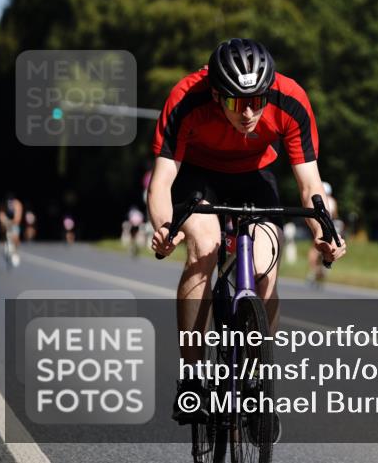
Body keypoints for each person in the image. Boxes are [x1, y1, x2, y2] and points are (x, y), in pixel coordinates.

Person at [146, 38, 346, 427]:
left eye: (258, 100)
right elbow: (162, 180)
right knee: (205, 245)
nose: (250, 112)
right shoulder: (187, 98)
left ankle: (256, 382)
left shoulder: (290, 99)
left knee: (265, 263)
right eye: (238, 102)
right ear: (217, 94)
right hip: (199, 176)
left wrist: (324, 231)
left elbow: (309, 185)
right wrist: (165, 229)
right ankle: (191, 378)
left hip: (255, 175)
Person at [308, 181, 338, 286]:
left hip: (318, 227)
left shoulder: (315, 200)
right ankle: (324, 267)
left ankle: (313, 271)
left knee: (314, 250)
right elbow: (334, 216)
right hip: (330, 228)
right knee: (328, 249)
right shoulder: (333, 201)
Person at [0, 193, 23, 267]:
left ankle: (15, 251)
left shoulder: (17, 204)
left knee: (15, 236)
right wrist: (5, 223)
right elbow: (1, 215)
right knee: (2, 229)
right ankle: (4, 245)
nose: (9, 204)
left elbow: (18, 218)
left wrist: (12, 223)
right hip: (6, 220)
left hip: (14, 221)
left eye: (11, 202)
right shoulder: (2, 204)